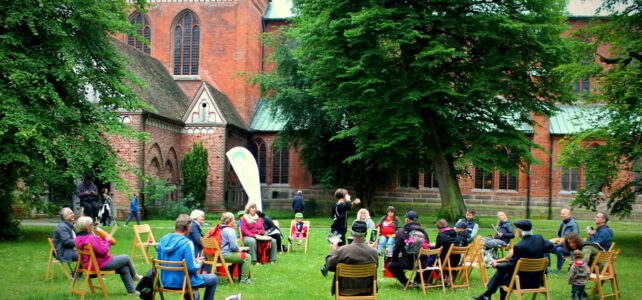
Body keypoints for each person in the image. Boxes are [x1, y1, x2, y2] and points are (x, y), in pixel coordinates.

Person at [473, 220, 554, 300]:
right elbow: (550, 246)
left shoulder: (520, 246)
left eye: (517, 230)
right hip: (538, 280)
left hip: (521, 283)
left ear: (519, 231)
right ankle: (486, 295)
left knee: (502, 274)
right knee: (503, 274)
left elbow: (510, 266)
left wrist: (496, 265)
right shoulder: (539, 238)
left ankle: (487, 295)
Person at [74, 216, 142, 296]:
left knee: (124, 267)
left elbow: (98, 247)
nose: (93, 225)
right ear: (87, 227)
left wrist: (102, 240)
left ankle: (132, 291)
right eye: (92, 224)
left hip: (90, 265)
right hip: (99, 265)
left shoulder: (79, 238)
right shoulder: (91, 238)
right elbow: (103, 251)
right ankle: (134, 276)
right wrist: (108, 241)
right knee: (126, 257)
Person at [158, 214, 218, 300]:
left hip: (166, 281)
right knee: (213, 278)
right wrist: (199, 263)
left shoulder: (163, 239)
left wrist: (192, 260)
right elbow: (191, 268)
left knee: (191, 283)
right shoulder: (187, 243)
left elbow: (160, 262)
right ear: (188, 227)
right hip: (183, 282)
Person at [325, 221, 379, 296]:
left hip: (344, 290)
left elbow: (329, 266)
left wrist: (334, 251)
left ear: (351, 233)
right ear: (366, 234)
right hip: (367, 290)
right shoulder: (374, 252)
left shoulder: (342, 250)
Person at [387, 211, 430, 287]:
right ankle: (417, 281)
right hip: (423, 264)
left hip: (409, 263)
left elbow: (396, 249)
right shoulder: (423, 231)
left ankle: (407, 283)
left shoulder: (402, 231)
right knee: (420, 259)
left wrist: (394, 260)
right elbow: (427, 246)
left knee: (391, 265)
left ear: (407, 220)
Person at [220, 212, 252, 284]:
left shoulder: (220, 229)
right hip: (226, 255)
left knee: (237, 255)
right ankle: (244, 280)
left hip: (218, 254)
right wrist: (239, 249)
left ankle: (229, 276)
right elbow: (234, 247)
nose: (234, 220)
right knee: (247, 257)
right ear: (230, 220)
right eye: (233, 219)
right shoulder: (230, 230)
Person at [547, 208, 579, 274]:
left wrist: (564, 241)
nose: (561, 215)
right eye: (561, 213)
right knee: (546, 247)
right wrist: (556, 240)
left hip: (569, 248)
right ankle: (548, 268)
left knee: (559, 249)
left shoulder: (574, 225)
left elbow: (575, 239)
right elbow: (560, 237)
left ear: (569, 214)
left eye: (563, 214)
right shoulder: (563, 223)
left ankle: (559, 269)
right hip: (561, 245)